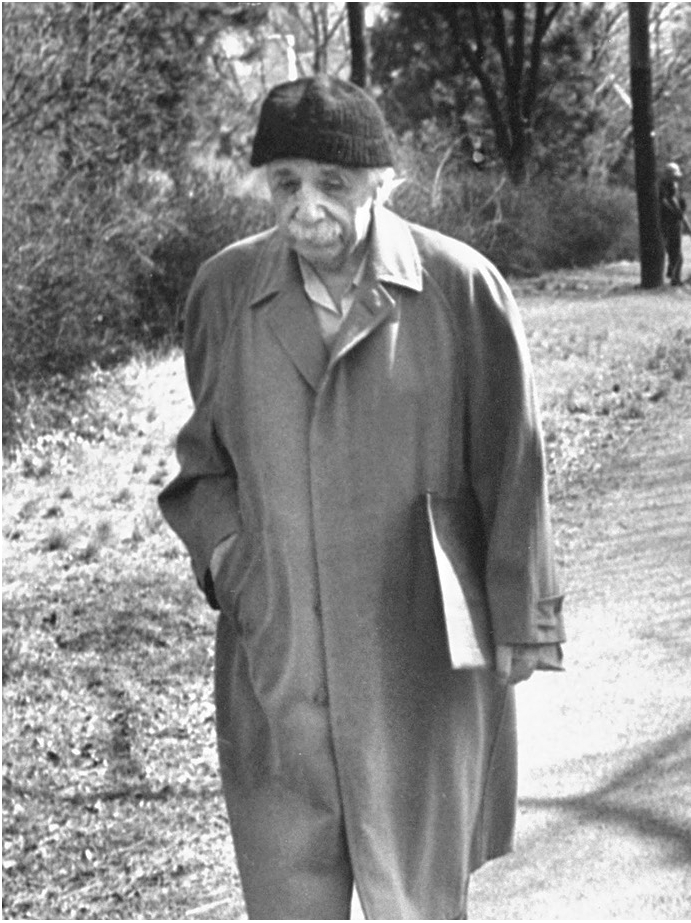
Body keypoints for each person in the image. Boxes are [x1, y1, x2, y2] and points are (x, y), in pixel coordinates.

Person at [158, 76, 564, 920]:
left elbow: (512, 465)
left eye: (330, 184)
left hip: (417, 656)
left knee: (414, 896)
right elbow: (202, 470)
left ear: (379, 183)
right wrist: (239, 568)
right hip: (281, 663)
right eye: (285, 184)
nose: (305, 207)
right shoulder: (225, 293)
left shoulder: (460, 288)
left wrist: (522, 617)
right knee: (288, 895)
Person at [658, 161, 687, 286]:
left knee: (676, 253)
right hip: (666, 222)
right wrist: (675, 212)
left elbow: (678, 201)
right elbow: (664, 202)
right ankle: (674, 278)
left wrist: (682, 208)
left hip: (676, 222)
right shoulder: (662, 187)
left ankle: (674, 276)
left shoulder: (675, 186)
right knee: (674, 253)